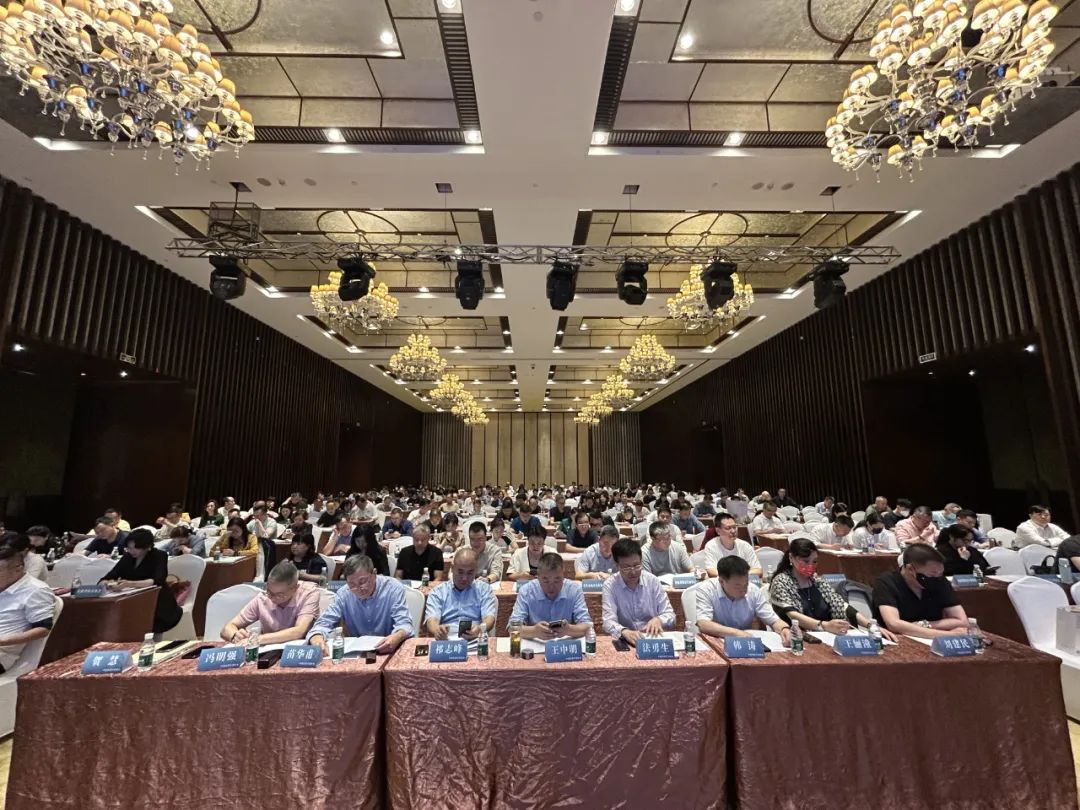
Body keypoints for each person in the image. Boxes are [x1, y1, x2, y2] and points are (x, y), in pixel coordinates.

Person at [769, 537, 898, 641]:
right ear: (791, 558)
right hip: (799, 639)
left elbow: (842, 606)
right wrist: (824, 625)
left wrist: (870, 626)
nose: (811, 565)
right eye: (806, 561)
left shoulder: (817, 581)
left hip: (828, 637)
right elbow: (793, 615)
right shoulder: (781, 582)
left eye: (814, 561)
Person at [307, 555, 413, 655]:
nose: (359, 588)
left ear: (374, 573)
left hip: (389, 649)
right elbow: (324, 622)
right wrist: (317, 637)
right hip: (357, 653)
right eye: (352, 584)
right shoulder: (344, 594)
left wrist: (397, 636)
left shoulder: (393, 588)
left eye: (363, 581)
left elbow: (404, 624)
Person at [872, 544, 970, 639]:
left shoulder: (940, 581)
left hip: (933, 642)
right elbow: (893, 624)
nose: (937, 578)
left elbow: (962, 621)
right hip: (897, 640)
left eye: (940, 574)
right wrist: (947, 635)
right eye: (931, 575)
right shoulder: (886, 582)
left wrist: (924, 625)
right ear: (910, 569)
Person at [99, 528, 181, 634]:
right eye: (129, 548)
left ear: (147, 546)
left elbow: (158, 580)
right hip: (132, 600)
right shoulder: (127, 557)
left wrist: (129, 584)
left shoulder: (159, 555)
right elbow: (111, 575)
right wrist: (106, 583)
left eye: (136, 548)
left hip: (157, 600)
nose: (132, 551)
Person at [695, 556, 792, 642]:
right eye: (737, 586)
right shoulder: (706, 589)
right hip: (718, 641)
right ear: (721, 581)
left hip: (747, 641)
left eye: (746, 584)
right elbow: (703, 624)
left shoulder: (753, 590)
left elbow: (773, 619)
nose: (744, 590)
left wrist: (784, 629)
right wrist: (737, 634)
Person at [221, 561, 321, 644]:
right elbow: (227, 629)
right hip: (269, 651)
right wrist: (235, 636)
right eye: (269, 591)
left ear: (295, 588)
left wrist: (257, 639)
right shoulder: (263, 598)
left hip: (299, 650)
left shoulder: (309, 593)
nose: (272, 598)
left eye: (280, 595)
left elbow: (299, 631)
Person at [601, 537, 675, 645]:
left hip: (652, 638)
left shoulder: (652, 581)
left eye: (636, 565)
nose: (633, 572)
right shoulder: (610, 585)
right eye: (626, 567)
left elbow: (670, 615)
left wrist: (659, 620)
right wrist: (623, 631)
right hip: (626, 640)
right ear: (617, 565)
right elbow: (608, 621)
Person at [0, 540, 56, 672]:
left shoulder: (36, 590)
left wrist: (2, 640)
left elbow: (43, 629)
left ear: (18, 568)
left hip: (2, 654)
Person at [508, 553, 592, 640]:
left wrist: (569, 630)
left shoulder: (574, 590)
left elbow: (587, 625)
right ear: (538, 577)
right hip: (535, 644)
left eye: (557, 580)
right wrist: (533, 631)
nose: (551, 586)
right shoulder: (526, 591)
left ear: (563, 575)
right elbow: (512, 628)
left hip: (564, 644)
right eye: (546, 581)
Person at [424, 549, 497, 641]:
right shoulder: (438, 592)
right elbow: (432, 620)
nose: (464, 578)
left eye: (470, 573)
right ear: (452, 568)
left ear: (476, 569)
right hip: (446, 638)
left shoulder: (484, 590)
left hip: (474, 636)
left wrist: (480, 628)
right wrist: (437, 631)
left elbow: (489, 618)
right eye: (460, 572)